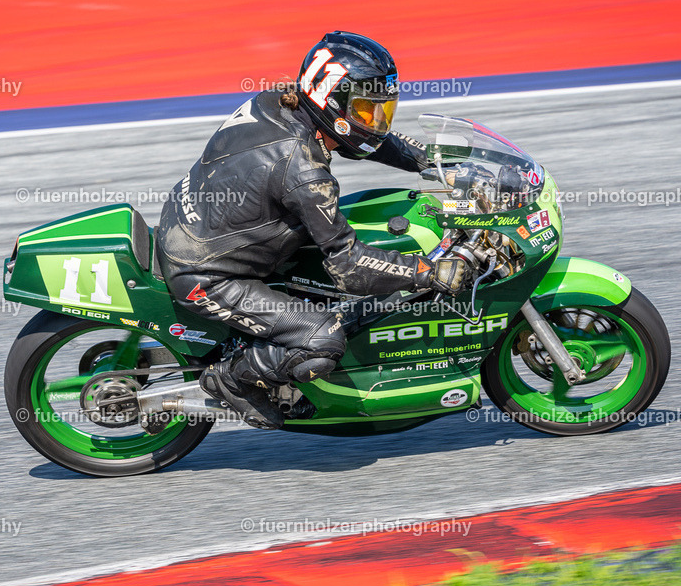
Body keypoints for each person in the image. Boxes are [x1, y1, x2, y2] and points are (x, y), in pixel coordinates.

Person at [154, 31, 471, 430]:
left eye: (381, 111)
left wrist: (430, 160)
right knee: (322, 340)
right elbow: (350, 266)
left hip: (191, 224)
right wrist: (425, 272)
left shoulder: (275, 102)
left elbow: (364, 141)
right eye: (366, 111)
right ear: (332, 103)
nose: (376, 121)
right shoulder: (303, 171)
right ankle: (231, 380)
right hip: (208, 276)